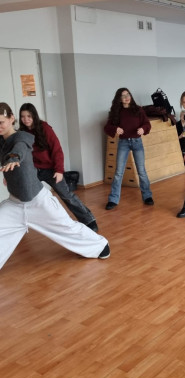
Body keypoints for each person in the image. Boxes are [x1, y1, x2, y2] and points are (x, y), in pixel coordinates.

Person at [0, 102, 110, 271]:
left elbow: (20, 148)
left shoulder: (22, 136)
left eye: (1, 122)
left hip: (38, 201)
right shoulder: (2, 141)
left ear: (11, 118)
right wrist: (9, 176)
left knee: (66, 226)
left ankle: (100, 245)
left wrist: (14, 157)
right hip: (15, 204)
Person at [18, 103, 98, 232]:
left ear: (34, 116)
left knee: (67, 196)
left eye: (29, 116)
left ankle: (89, 220)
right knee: (23, 195)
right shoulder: (21, 133)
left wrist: (59, 170)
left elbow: (57, 150)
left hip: (50, 169)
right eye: (23, 116)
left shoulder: (44, 128)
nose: (26, 119)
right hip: (33, 170)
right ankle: (21, 225)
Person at [104, 88, 154, 210]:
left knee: (141, 171)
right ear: (119, 99)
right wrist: (115, 129)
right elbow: (107, 127)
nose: (126, 97)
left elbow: (147, 124)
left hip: (137, 142)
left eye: (128, 94)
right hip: (123, 143)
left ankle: (147, 196)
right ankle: (113, 199)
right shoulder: (117, 112)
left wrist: (143, 129)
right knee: (118, 172)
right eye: (123, 96)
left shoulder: (138, 110)